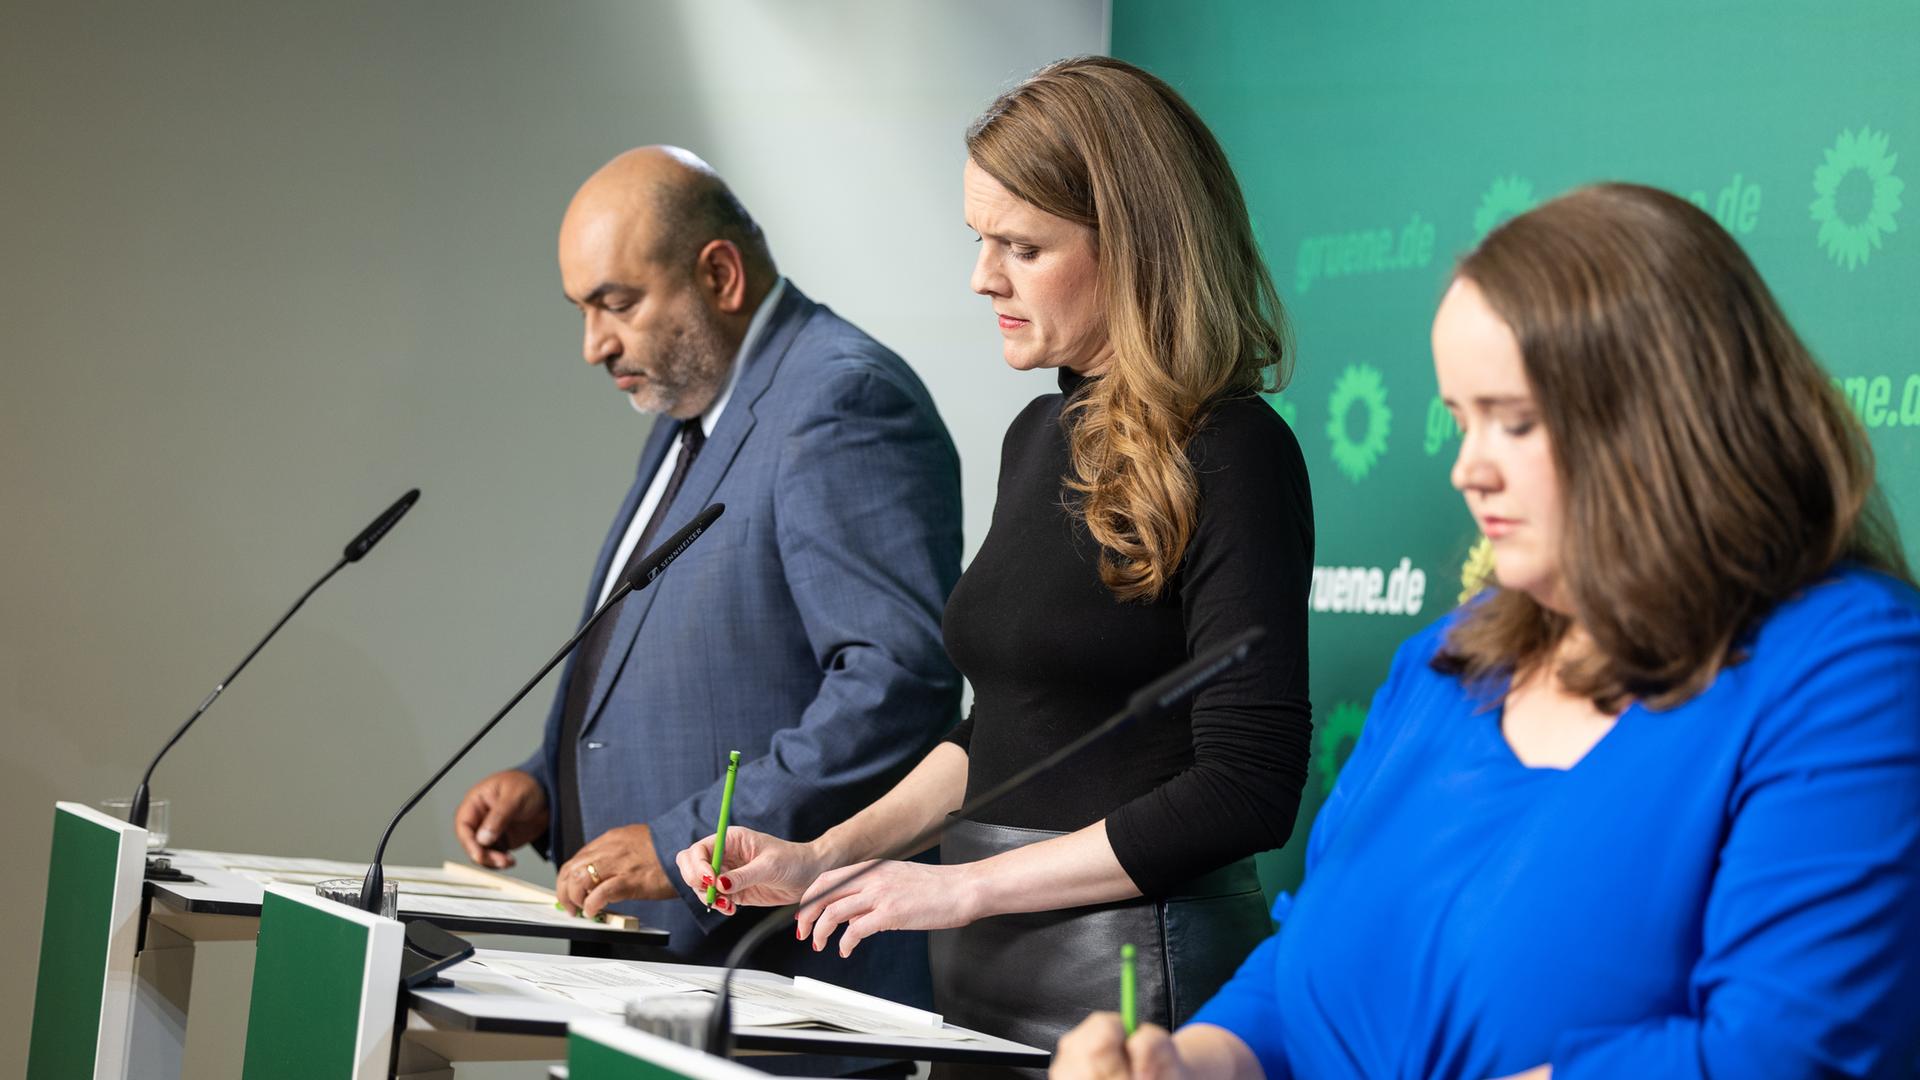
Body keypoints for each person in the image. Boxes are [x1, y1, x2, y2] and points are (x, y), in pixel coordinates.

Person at [1052, 183, 1920, 1080]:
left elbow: (1782, 1055)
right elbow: (1307, 962)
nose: (1470, 470)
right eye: (1462, 421)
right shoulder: (1441, 664)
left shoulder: (1851, 669)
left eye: (1517, 422)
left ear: (1675, 418)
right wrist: (1189, 1062)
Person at [675, 56, 1315, 1065]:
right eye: (981, 241)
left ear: (1136, 247)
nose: (984, 276)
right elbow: (1010, 733)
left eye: (1021, 246)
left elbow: (1247, 787)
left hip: (1131, 992)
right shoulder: (1037, 433)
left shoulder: (1231, 450)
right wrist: (824, 858)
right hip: (982, 972)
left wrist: (961, 886)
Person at [450, 147, 964, 1018]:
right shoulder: (696, 402)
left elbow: (896, 686)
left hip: (777, 977)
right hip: (660, 963)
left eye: (616, 303)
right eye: (582, 309)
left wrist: (683, 843)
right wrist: (550, 781)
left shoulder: (842, 400)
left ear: (719, 274)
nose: (593, 344)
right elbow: (686, 648)